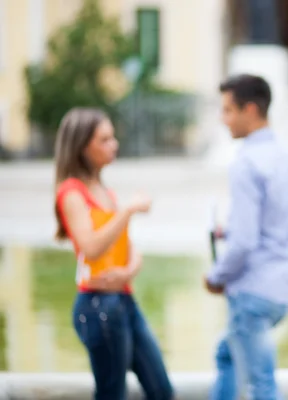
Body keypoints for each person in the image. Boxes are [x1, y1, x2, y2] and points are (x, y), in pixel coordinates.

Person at [53, 107, 174, 400]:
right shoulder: (72, 192)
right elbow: (91, 248)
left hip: (123, 300)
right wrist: (128, 209)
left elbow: (126, 247)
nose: (114, 144)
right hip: (98, 307)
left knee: (161, 390)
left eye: (113, 137)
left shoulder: (103, 190)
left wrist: (129, 270)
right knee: (112, 394)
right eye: (105, 139)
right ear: (83, 147)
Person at [205, 74, 288, 400]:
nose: (223, 120)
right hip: (280, 290)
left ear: (250, 110)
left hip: (251, 293)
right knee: (226, 355)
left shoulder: (244, 163)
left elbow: (245, 244)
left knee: (262, 383)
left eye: (227, 110)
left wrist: (215, 276)